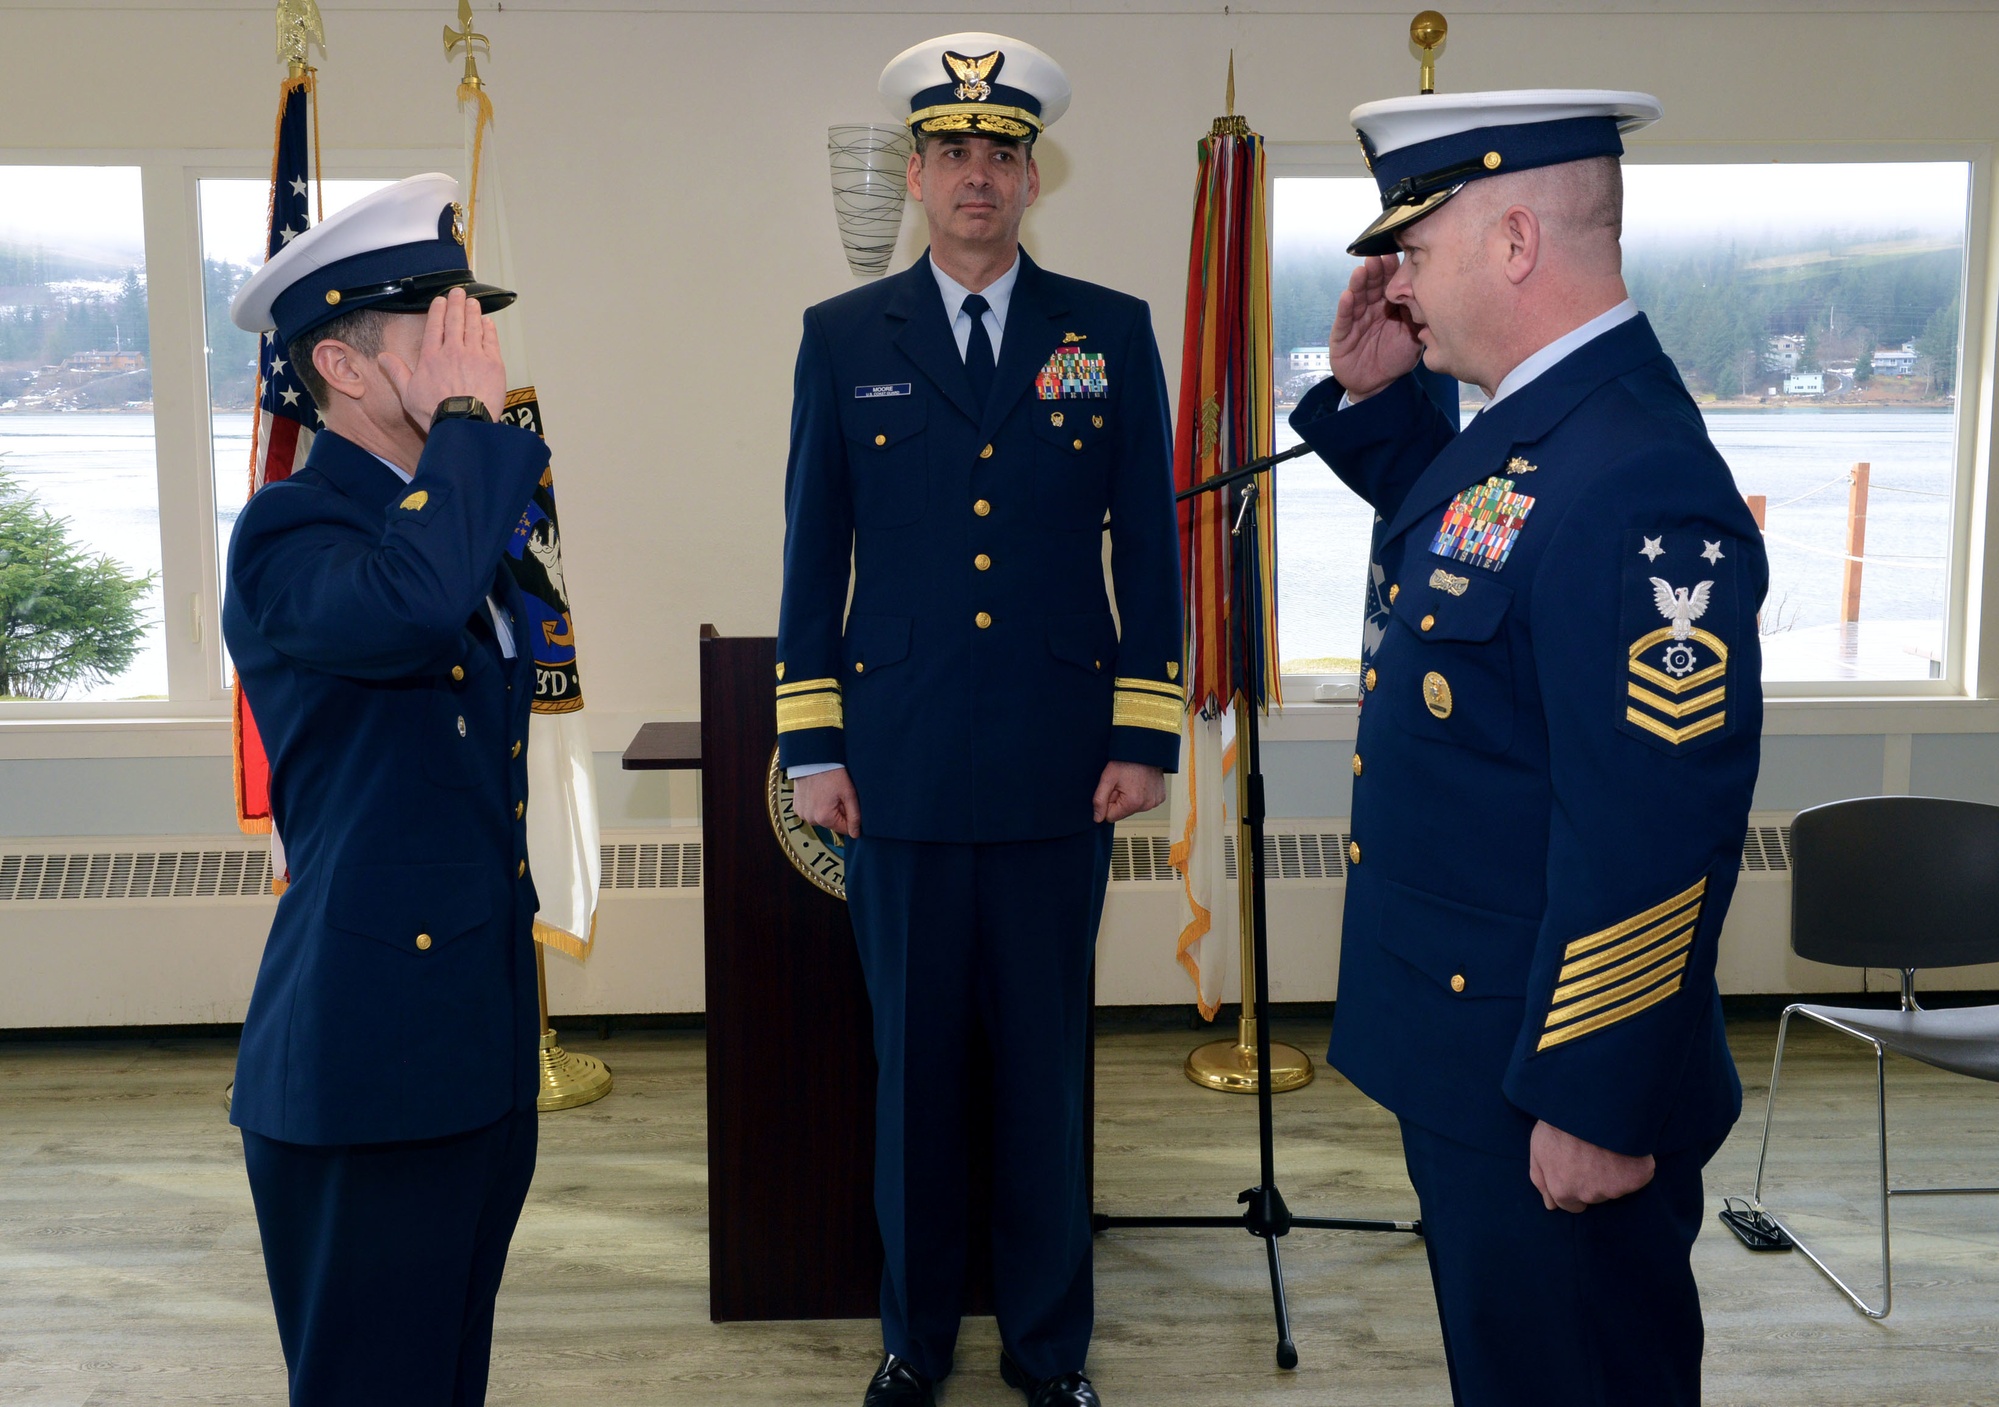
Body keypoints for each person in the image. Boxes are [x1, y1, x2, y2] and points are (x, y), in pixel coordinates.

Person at [1288, 90, 1768, 1406]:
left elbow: (1654, 824)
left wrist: (1595, 1092)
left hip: (1545, 1074)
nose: (1394, 284)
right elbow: (1470, 564)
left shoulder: (1634, 477)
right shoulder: (1546, 428)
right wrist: (1369, 401)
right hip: (1471, 1049)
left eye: (1414, 250)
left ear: (1509, 243)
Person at [776, 31, 1183, 1407]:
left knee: (1044, 1075)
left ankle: (1048, 1345)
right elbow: (807, 549)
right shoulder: (842, 338)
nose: (976, 176)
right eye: (951, 152)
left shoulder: (1107, 330)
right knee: (913, 1074)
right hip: (891, 763)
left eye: (1000, 154)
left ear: (1029, 176)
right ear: (915, 171)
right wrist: (811, 740)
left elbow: (1148, 547)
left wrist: (1142, 733)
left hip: (1061, 767)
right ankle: (915, 1337)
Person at [223, 172, 550, 1405]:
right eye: (442, 323)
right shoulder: (295, 533)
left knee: (442, 1374)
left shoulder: (448, 520)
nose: (477, 349)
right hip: (365, 1062)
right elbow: (408, 614)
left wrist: (466, 441)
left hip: (471, 1041)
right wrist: (473, 426)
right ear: (344, 369)